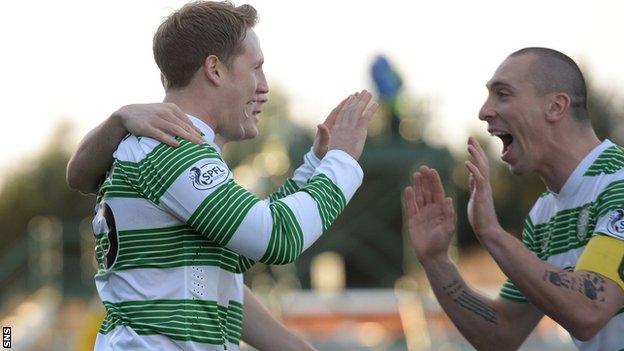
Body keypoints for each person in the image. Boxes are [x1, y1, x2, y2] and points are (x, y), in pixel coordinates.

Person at [66, 1, 378, 350]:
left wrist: (315, 165)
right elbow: (279, 238)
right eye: (256, 68)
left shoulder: (166, 148)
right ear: (215, 70)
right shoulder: (175, 150)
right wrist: (342, 162)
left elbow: (238, 248)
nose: (264, 87)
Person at [403, 47, 624, 350]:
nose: (484, 111)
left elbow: (589, 309)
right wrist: (436, 260)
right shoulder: (544, 214)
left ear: (556, 106)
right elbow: (502, 334)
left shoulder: (618, 183)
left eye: (503, 94)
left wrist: (491, 233)